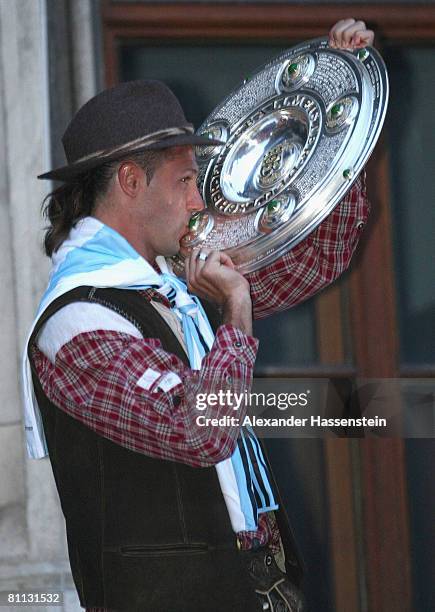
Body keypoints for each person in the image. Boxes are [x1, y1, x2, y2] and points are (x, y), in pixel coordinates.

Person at [23, 18, 374, 612]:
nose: (198, 201)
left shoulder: (168, 283)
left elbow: (317, 257)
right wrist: (236, 309)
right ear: (131, 181)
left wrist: (348, 120)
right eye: (186, 180)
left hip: (251, 584)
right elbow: (199, 428)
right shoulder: (74, 322)